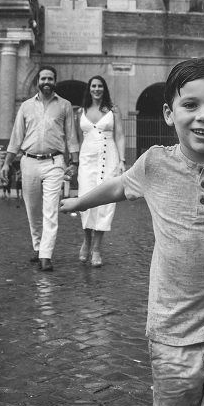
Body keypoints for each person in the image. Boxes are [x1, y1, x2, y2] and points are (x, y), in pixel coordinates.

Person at [60, 57, 204, 406]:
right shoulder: (154, 164)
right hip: (171, 334)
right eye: (190, 105)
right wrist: (76, 201)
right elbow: (118, 187)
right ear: (169, 114)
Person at [0, 66, 79, 272]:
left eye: (50, 78)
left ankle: (46, 255)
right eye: (43, 78)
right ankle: (37, 246)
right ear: (38, 81)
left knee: (51, 210)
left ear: (55, 81)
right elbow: (17, 136)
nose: (46, 81)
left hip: (54, 162)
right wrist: (7, 162)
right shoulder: (26, 106)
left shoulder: (65, 105)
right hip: (29, 162)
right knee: (33, 209)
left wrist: (75, 163)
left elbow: (71, 136)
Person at [74, 75, 126, 267]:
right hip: (87, 160)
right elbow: (79, 139)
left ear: (104, 89)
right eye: (93, 86)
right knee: (85, 200)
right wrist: (77, 162)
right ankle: (86, 241)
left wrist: (122, 160)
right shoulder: (81, 111)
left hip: (108, 159)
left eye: (100, 86)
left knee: (104, 202)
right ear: (89, 89)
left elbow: (119, 135)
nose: (97, 89)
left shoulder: (112, 110)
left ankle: (96, 248)